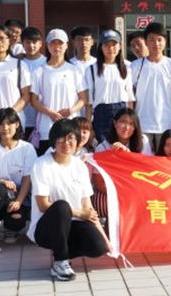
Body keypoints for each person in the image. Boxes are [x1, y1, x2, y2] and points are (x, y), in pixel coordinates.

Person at [29, 118, 111, 281]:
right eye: (61, 139)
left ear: (77, 141)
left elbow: (87, 206)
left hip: (73, 224)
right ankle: (61, 262)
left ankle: (61, 253)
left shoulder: (79, 166)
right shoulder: (41, 164)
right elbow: (43, 205)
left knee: (98, 247)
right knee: (61, 207)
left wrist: (106, 242)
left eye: (71, 138)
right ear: (53, 141)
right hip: (46, 227)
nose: (66, 143)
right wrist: (79, 213)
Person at [0, 108, 38, 254]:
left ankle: (10, 227)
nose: (5, 128)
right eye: (0, 124)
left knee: (16, 221)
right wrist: (0, 181)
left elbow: (27, 180)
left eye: (9, 123)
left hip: (17, 197)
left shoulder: (27, 148)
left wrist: (19, 202)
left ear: (17, 124)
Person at [30, 29, 88, 154]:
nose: (57, 47)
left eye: (60, 43)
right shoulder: (39, 71)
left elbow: (83, 98)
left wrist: (70, 111)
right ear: (47, 45)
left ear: (66, 45)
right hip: (46, 127)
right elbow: (33, 101)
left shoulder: (74, 70)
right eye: (53, 43)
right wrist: (49, 112)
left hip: (71, 125)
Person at [133, 22, 171, 147]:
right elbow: (131, 94)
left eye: (159, 40)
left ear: (165, 41)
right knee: (142, 157)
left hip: (166, 123)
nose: (156, 44)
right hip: (142, 122)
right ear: (146, 42)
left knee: (164, 157)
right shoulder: (136, 66)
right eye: (152, 40)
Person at [87, 29, 134, 143]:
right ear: (101, 47)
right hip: (101, 112)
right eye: (106, 45)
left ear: (120, 46)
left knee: (122, 147)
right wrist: (89, 126)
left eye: (114, 44)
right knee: (104, 147)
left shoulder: (127, 67)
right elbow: (89, 101)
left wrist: (131, 119)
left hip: (122, 110)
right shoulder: (92, 69)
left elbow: (129, 98)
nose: (110, 48)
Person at [19, 27, 47, 140]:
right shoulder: (17, 63)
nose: (31, 46)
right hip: (22, 119)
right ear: (22, 44)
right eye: (28, 42)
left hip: (43, 119)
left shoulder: (47, 63)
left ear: (41, 43)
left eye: (35, 42)